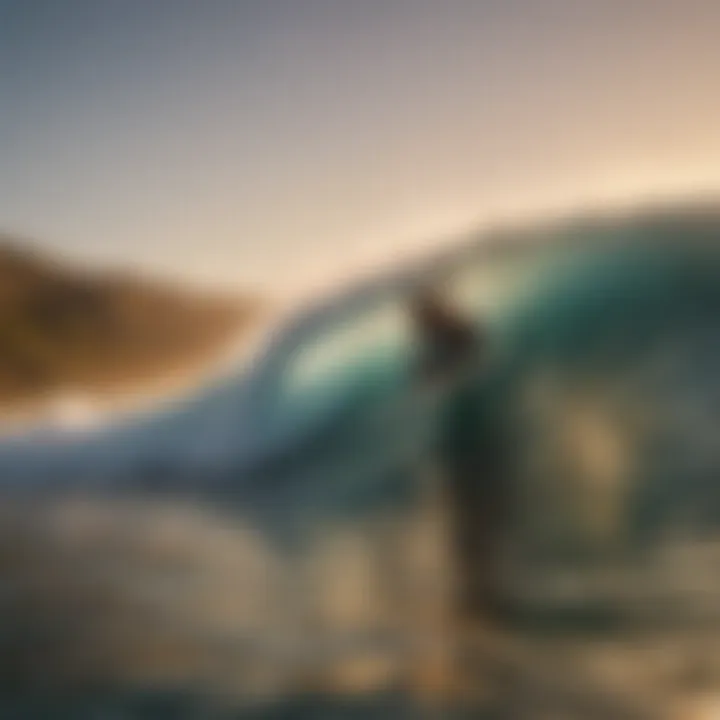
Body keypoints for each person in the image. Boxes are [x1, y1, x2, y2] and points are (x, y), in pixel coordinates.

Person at [409, 281, 508, 624]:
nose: (418, 324)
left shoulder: (462, 334)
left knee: (479, 523)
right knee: (465, 527)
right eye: (417, 318)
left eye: (422, 315)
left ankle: (484, 597)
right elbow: (424, 386)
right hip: (455, 446)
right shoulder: (430, 349)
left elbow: (478, 359)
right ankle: (477, 596)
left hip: (479, 443)